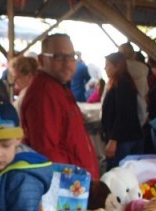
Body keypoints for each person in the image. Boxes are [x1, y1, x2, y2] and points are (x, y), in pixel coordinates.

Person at [18, 34, 99, 180]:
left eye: (71, 56)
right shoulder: (44, 94)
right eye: (59, 57)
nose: (67, 63)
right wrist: (76, 183)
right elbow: (48, 152)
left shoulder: (58, 87)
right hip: (71, 187)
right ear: (42, 60)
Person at [99, 52, 143, 169]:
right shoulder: (118, 82)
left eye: (107, 65)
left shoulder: (122, 83)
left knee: (118, 174)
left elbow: (123, 113)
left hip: (123, 140)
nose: (105, 68)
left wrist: (113, 140)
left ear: (117, 66)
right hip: (125, 138)